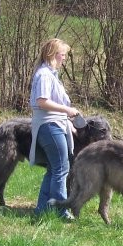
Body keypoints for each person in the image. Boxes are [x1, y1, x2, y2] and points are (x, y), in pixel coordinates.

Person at [29, 38, 81, 219]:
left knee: (53, 169)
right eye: (63, 54)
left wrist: (68, 122)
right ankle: (61, 210)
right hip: (50, 126)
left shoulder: (49, 75)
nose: (64, 58)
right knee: (61, 168)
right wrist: (68, 110)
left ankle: (42, 209)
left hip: (54, 124)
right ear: (53, 54)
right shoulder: (44, 75)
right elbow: (42, 101)